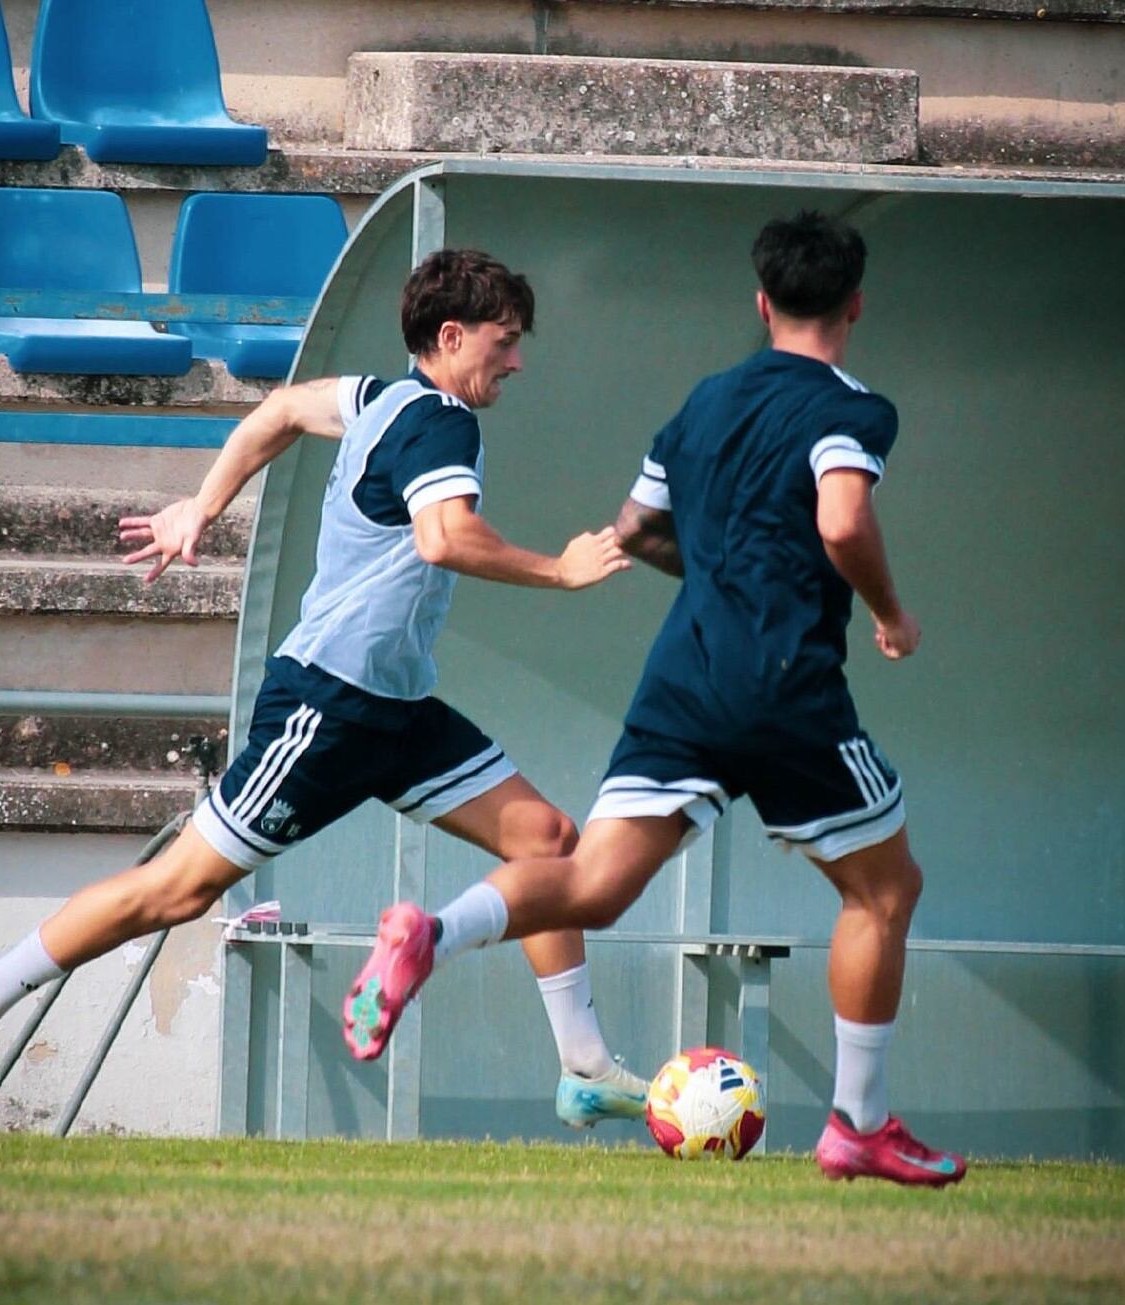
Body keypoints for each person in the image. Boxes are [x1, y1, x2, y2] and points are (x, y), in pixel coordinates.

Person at [0, 248, 649, 1132]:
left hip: (396, 711)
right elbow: (445, 539)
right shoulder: (443, 420)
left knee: (546, 837)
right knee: (176, 890)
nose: (517, 361)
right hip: (326, 710)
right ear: (452, 338)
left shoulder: (376, 397)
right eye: (506, 342)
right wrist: (560, 572)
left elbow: (282, 409)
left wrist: (202, 505)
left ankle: (583, 1066)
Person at [343, 212, 967, 1187]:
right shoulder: (851, 406)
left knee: (591, 883)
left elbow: (635, 527)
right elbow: (842, 519)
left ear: (761, 303)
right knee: (883, 889)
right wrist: (889, 613)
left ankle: (434, 930)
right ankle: (858, 1123)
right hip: (787, 685)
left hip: (683, 678)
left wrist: (714, 573)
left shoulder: (703, 406)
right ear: (853, 304)